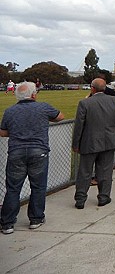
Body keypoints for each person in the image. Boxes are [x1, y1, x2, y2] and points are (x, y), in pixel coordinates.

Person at [0, 82, 64, 234]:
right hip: (38, 150)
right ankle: (36, 218)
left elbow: (3, 132)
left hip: (16, 151)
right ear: (34, 94)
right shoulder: (43, 107)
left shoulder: (10, 111)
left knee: (13, 188)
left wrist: (17, 132)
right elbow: (60, 116)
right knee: (38, 186)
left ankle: (7, 223)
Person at [72, 78, 115, 209]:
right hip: (109, 141)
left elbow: (79, 126)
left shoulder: (85, 103)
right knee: (105, 171)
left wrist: (76, 144)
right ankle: (104, 197)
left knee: (85, 172)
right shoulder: (114, 101)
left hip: (89, 142)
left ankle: (80, 199)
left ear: (92, 88)